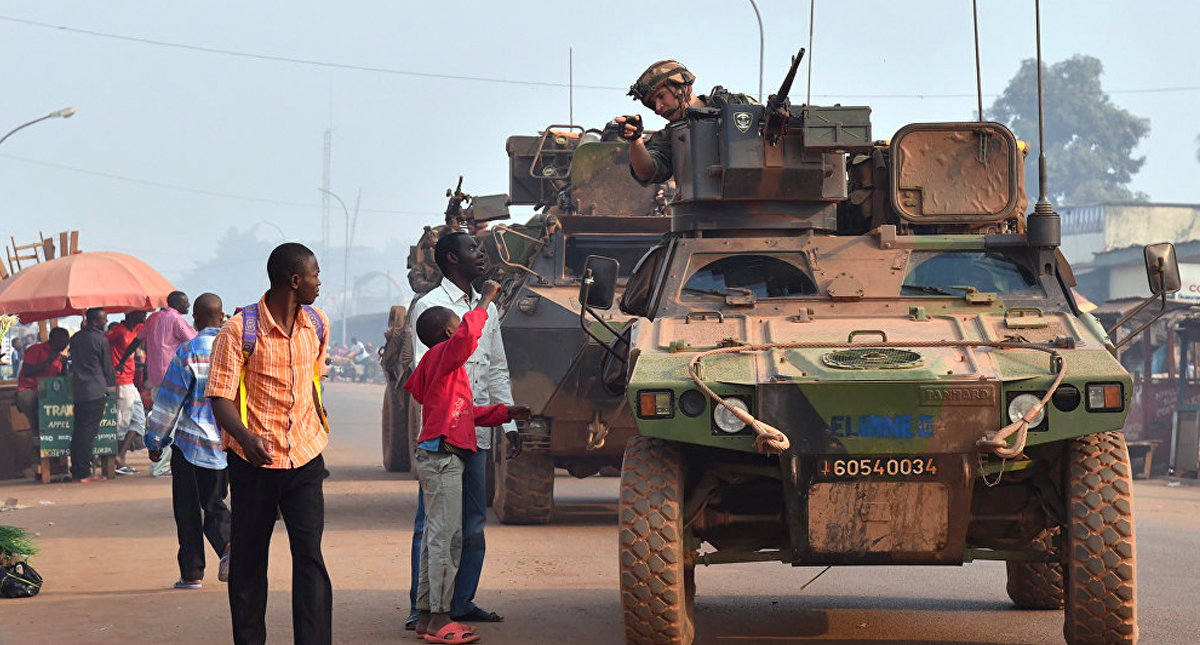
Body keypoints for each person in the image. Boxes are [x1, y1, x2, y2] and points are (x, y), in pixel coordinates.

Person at [207, 243, 332, 645]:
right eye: (314, 275)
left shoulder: (318, 324)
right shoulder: (238, 330)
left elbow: (313, 381)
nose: (319, 282)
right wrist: (245, 437)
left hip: (306, 457)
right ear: (295, 281)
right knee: (248, 561)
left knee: (310, 559)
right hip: (253, 463)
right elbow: (220, 398)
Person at [405, 232, 519, 630]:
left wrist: (510, 420)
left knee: (471, 524)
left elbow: (497, 368)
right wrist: (485, 302)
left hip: (475, 432)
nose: (482, 254)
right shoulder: (432, 307)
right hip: (445, 440)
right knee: (436, 526)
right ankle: (426, 608)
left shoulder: (482, 313)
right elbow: (443, 362)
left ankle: (460, 601)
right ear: (452, 258)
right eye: (473, 249)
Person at [145, 292, 231, 591]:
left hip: (191, 445)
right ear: (221, 317)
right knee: (215, 501)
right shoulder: (237, 351)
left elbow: (168, 404)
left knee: (187, 510)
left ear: (194, 318)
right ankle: (229, 545)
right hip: (228, 445)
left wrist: (155, 440)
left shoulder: (189, 351)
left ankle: (192, 573)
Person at [613, 59, 754, 186]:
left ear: (683, 88)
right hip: (703, 211)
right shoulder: (670, 136)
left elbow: (768, 128)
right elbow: (646, 172)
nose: (657, 108)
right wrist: (636, 140)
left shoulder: (735, 105)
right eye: (652, 104)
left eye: (661, 96)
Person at [141, 291, 198, 477]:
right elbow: (194, 341)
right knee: (171, 423)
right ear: (176, 304)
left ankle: (159, 463)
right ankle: (162, 466)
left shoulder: (153, 318)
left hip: (156, 377)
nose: (188, 305)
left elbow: (139, 339)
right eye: (186, 302)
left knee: (160, 420)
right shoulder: (176, 319)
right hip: (174, 379)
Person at [70, 308, 115, 483]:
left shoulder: (75, 339)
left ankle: (77, 469)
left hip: (79, 390)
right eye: (104, 319)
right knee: (88, 433)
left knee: (79, 431)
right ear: (95, 321)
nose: (106, 322)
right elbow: (106, 368)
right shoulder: (100, 340)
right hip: (95, 390)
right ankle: (84, 472)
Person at [14, 327, 70, 447]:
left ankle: (60, 442)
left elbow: (61, 380)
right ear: (53, 339)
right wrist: (47, 362)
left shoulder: (60, 355)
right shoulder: (35, 350)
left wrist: (64, 365)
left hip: (50, 393)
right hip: (30, 389)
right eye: (63, 339)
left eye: (67, 339)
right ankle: (37, 438)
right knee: (30, 400)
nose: (66, 342)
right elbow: (27, 371)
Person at [107, 310, 147, 475]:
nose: (145, 315)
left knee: (139, 421)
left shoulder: (136, 329)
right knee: (121, 423)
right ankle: (114, 460)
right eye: (142, 313)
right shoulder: (117, 331)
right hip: (120, 381)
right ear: (132, 314)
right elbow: (102, 344)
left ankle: (119, 456)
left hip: (130, 381)